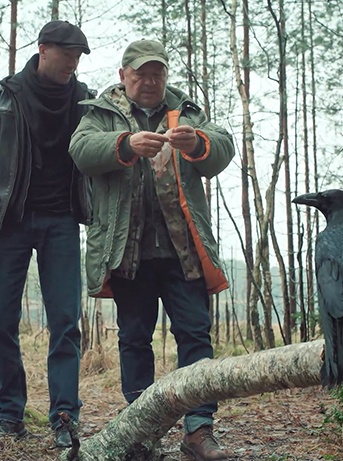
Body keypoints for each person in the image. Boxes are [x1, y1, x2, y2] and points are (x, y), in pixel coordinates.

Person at [69, 39, 235, 461]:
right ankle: (141, 436)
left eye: (156, 73)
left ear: (165, 76)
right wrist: (124, 145)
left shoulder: (186, 112)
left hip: (184, 252)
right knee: (134, 339)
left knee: (195, 336)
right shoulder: (100, 113)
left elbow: (222, 148)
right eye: (140, 73)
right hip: (128, 253)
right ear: (123, 76)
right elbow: (81, 151)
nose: (149, 81)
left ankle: (199, 430)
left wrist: (197, 143)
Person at [0, 20, 93, 449]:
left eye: (78, 57)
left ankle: (64, 417)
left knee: (65, 322)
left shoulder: (85, 100)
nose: (72, 64)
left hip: (62, 222)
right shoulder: (4, 96)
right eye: (67, 55)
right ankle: (9, 413)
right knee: (1, 319)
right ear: (43, 50)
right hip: (10, 222)